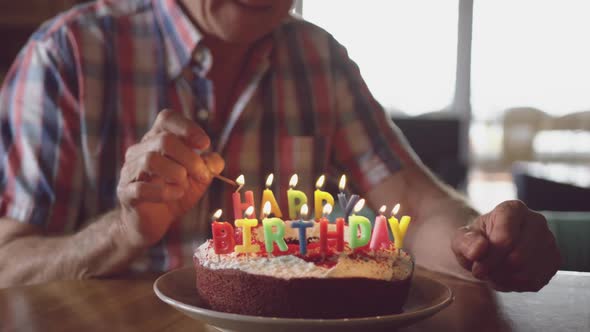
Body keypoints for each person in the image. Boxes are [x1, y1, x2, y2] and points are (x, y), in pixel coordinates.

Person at [0, 0, 560, 290]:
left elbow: (413, 208)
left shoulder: (321, 60)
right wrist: (121, 234)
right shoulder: (67, 58)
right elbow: (8, 266)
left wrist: (483, 244)